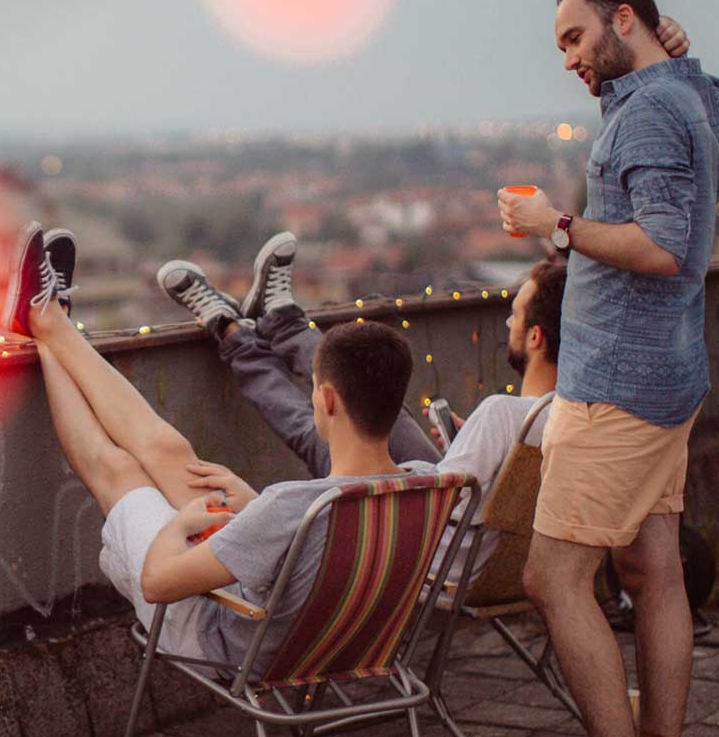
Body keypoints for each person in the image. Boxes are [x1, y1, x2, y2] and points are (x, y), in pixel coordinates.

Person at [495, 0, 719, 737]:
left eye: (573, 37)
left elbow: (665, 248)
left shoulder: (646, 114)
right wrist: (676, 49)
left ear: (620, 18)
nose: (567, 58)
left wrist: (552, 228)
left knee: (552, 578)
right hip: (665, 375)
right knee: (652, 572)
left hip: (617, 389)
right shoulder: (681, 95)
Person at [0, 222, 435, 670]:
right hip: (327, 638)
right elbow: (312, 554)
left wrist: (179, 525)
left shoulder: (295, 508)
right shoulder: (431, 484)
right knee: (173, 455)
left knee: (119, 470)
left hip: (224, 637)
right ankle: (52, 323)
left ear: (326, 400)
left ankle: (45, 322)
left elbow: (158, 583)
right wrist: (253, 509)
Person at [157, 241, 569, 580]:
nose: (506, 325)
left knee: (327, 428)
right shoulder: (571, 418)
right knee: (378, 402)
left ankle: (229, 331)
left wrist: (376, 461)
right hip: (482, 557)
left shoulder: (501, 414)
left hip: (420, 546)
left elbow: (440, 502)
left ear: (534, 337)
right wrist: (468, 445)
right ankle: (281, 319)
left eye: (513, 317)